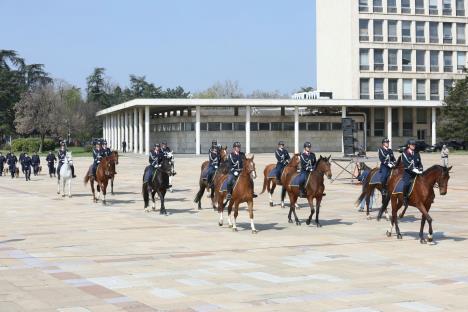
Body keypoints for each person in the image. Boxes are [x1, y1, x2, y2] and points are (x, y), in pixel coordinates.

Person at [402, 139, 423, 207]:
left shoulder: (416, 153)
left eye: (414, 145)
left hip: (416, 173)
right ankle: (405, 198)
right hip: (408, 173)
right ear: (408, 145)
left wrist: (420, 169)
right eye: (412, 145)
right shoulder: (404, 153)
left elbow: (419, 163)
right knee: (406, 184)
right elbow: (407, 164)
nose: (414, 146)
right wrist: (414, 170)